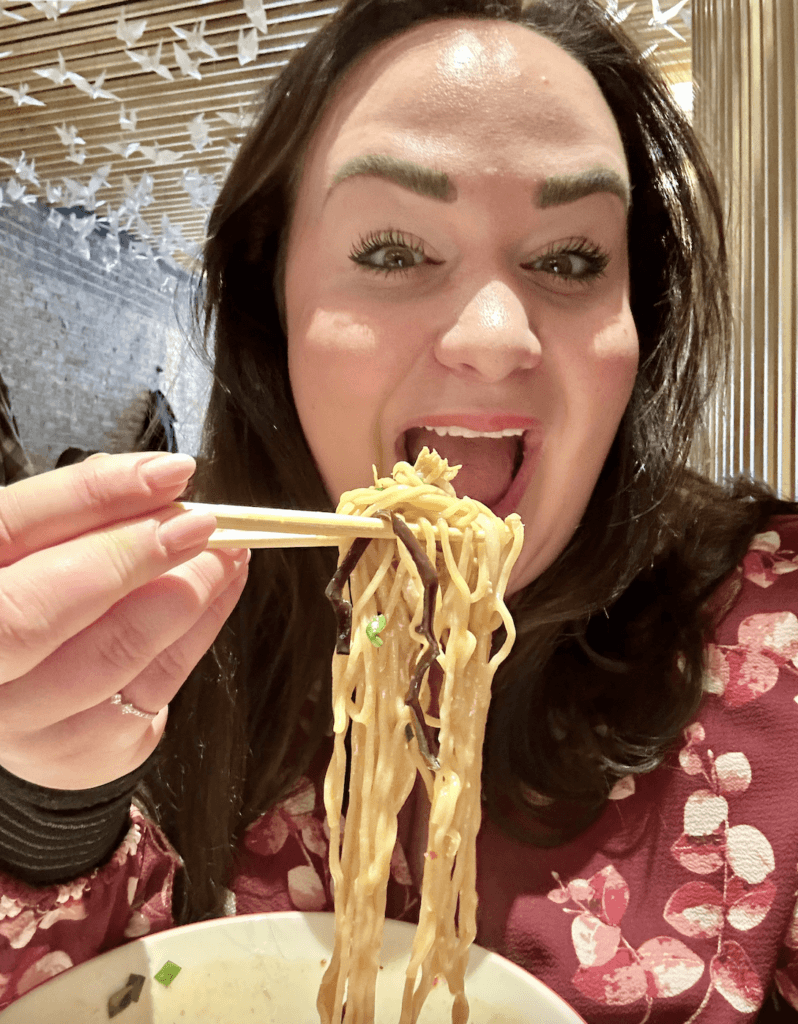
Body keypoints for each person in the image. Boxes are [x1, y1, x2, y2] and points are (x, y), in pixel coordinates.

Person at [0, 0, 796, 1019]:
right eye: (390, 250)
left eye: (571, 259)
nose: (499, 335)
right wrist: (43, 805)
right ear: (269, 307)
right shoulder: (166, 617)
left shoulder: (772, 634)